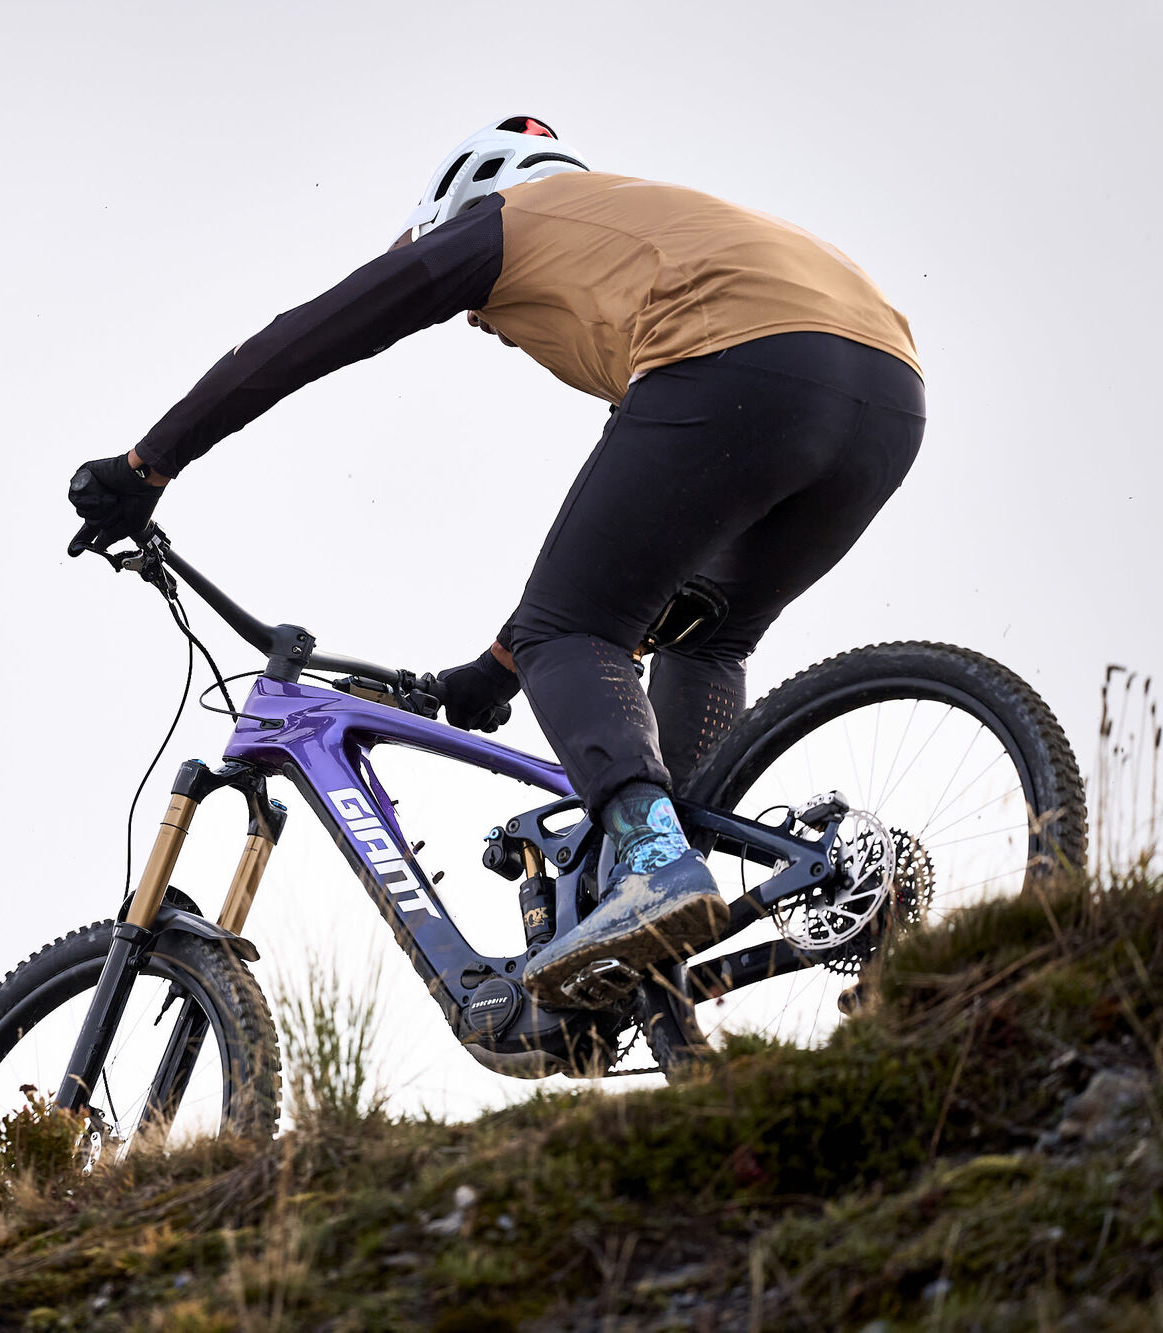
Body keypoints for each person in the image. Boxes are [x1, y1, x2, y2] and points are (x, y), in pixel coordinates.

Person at [67, 116, 924, 1010]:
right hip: (890, 395)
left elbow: (308, 335)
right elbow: (627, 547)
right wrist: (497, 668)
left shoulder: (507, 221)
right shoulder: (643, 250)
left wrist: (147, 463)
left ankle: (654, 862)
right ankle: (676, 892)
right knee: (702, 638)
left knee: (569, 632)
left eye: (478, 315)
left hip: (741, 362)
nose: (485, 327)